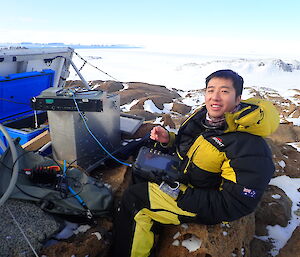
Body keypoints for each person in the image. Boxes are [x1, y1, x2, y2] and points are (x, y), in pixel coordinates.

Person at [112, 69, 279, 257]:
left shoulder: (249, 146)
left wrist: (179, 195)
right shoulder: (205, 118)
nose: (215, 97)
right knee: (140, 167)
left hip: (201, 197)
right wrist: (170, 140)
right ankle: (150, 225)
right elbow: (197, 147)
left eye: (224, 91)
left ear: (238, 98)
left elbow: (235, 203)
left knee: (135, 200)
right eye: (210, 90)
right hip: (185, 173)